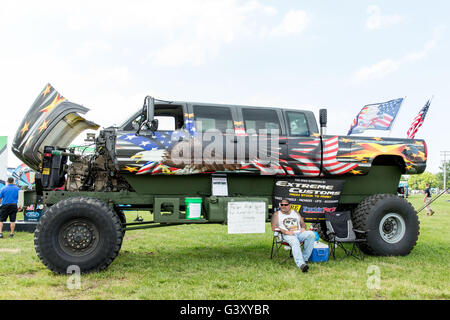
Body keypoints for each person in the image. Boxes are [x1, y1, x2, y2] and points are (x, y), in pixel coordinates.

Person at [271, 199, 315, 272]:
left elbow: (303, 224)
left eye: (285, 205)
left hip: (299, 233)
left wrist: (303, 228)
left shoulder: (295, 212)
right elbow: (274, 227)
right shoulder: (276, 214)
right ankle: (301, 264)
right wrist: (286, 232)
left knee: (311, 234)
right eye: (282, 205)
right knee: (295, 241)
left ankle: (304, 259)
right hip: (286, 235)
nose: (283, 206)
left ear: (290, 205)